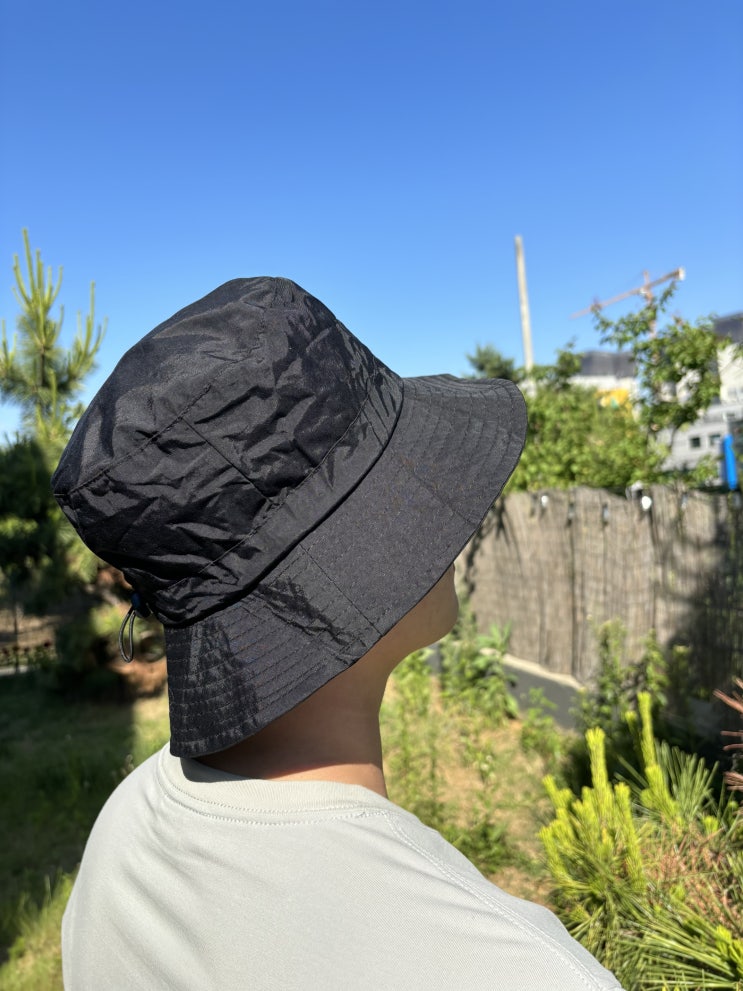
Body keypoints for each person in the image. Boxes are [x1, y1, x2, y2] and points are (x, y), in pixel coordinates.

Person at [52, 277, 622, 990]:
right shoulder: (516, 969)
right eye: (399, 484)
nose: (452, 521)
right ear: (350, 555)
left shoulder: (122, 835)